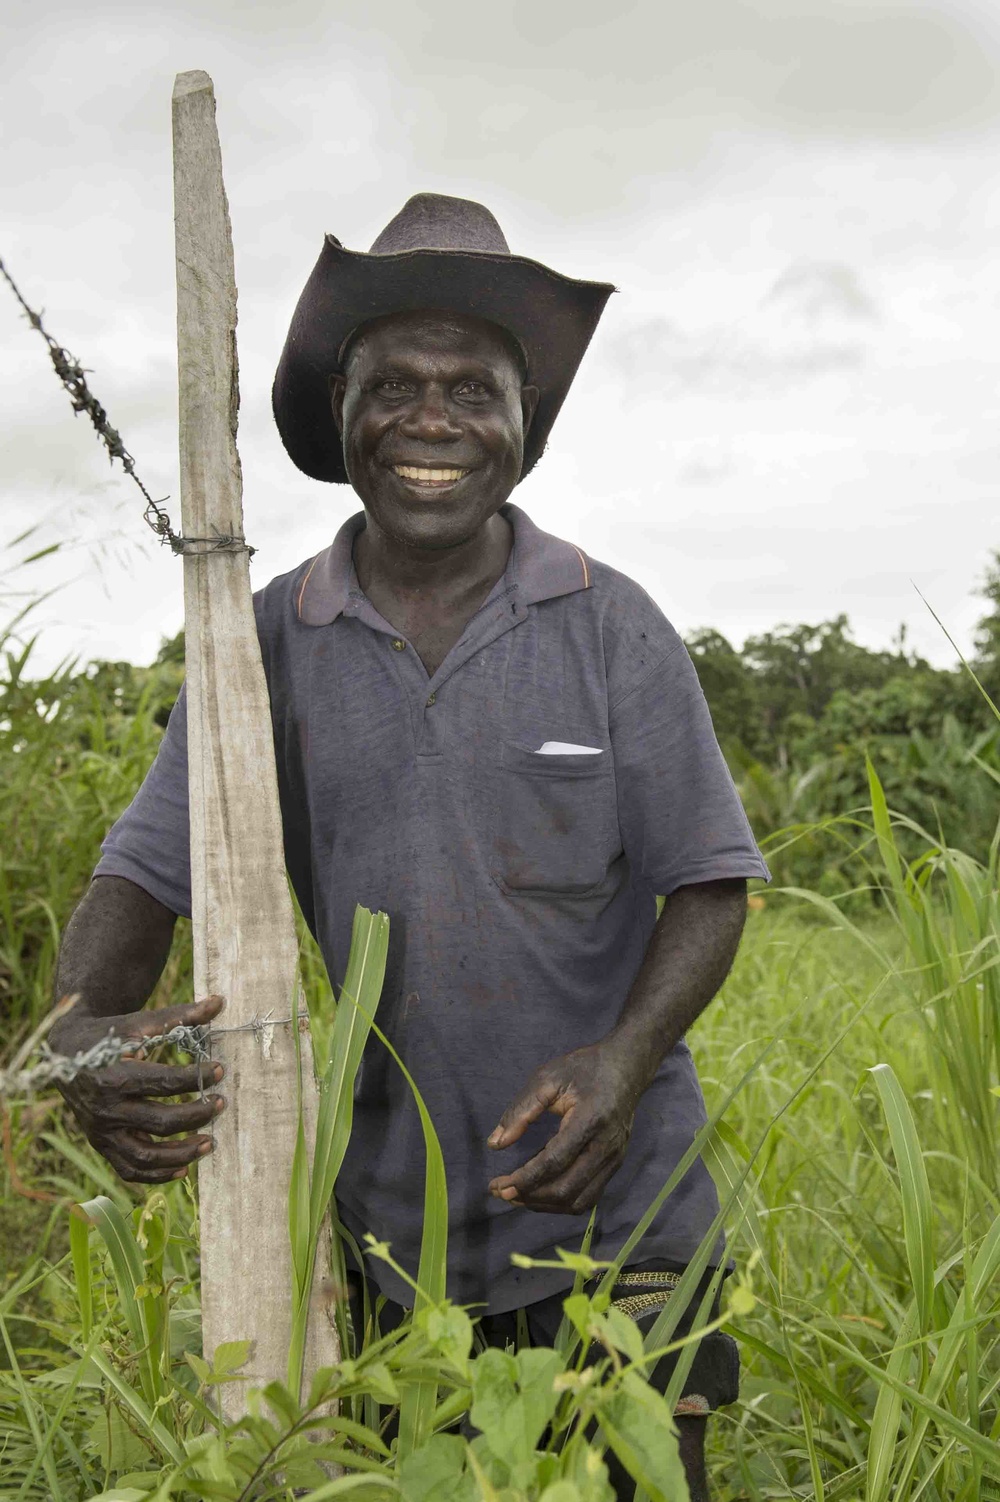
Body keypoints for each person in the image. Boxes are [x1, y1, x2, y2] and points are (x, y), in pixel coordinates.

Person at [51, 193, 769, 1500]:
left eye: (472, 389)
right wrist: (77, 1033)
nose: (433, 420)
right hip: (395, 1238)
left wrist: (622, 1060)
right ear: (344, 412)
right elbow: (147, 872)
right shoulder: (263, 642)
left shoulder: (613, 625)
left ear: (521, 424)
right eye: (395, 385)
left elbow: (711, 885)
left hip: (626, 1207)